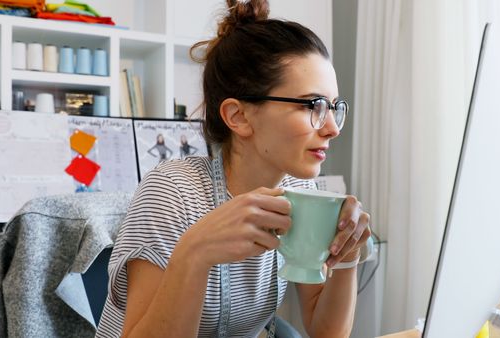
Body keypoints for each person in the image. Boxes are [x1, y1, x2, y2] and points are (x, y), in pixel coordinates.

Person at [96, 0, 371, 337]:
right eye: (313, 105)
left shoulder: (302, 195)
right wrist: (195, 253)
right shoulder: (171, 194)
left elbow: (327, 332)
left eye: (332, 107)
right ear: (238, 116)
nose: (332, 128)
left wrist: (346, 255)